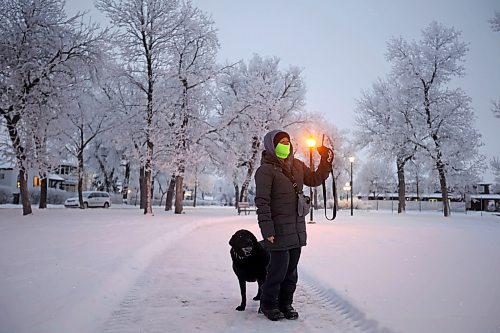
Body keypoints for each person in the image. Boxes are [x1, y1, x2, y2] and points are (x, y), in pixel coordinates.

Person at [254, 129, 333, 321]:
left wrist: (326, 161)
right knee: (277, 269)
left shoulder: (297, 165)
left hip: (297, 228)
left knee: (291, 271)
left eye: (288, 141)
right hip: (278, 229)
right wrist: (267, 229)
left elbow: (314, 179)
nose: (285, 145)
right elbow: (262, 202)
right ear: (271, 145)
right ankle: (268, 304)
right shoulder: (265, 170)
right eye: (281, 142)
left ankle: (285, 303)